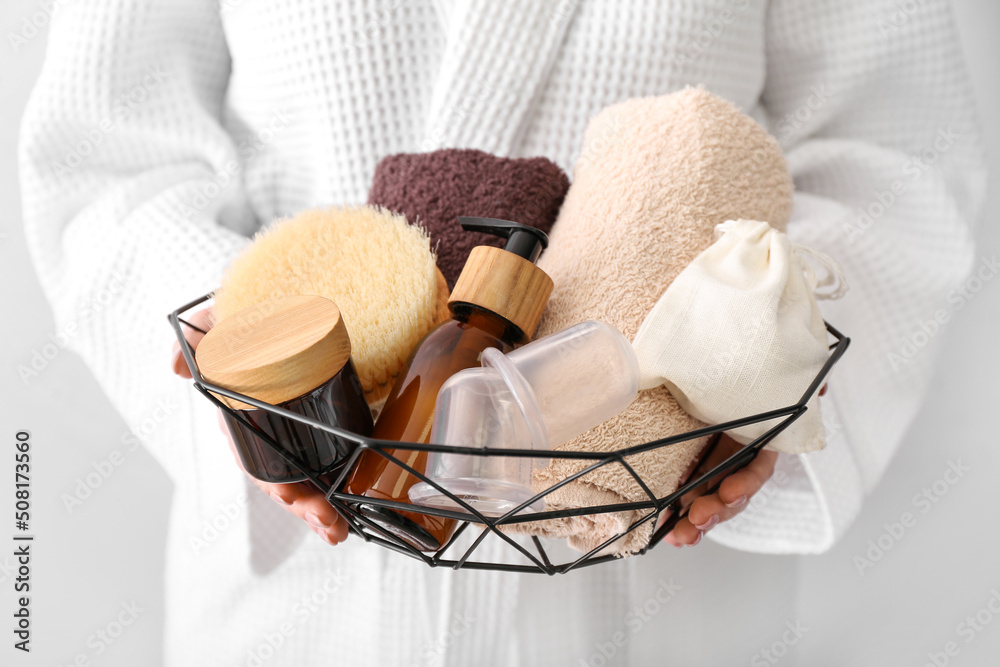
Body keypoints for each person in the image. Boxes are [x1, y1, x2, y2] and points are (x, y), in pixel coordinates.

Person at [20, 1, 985, 665]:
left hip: (652, 579)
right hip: (300, 615)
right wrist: (261, 397)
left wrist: (756, 370)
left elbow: (898, 159)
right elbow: (106, 154)